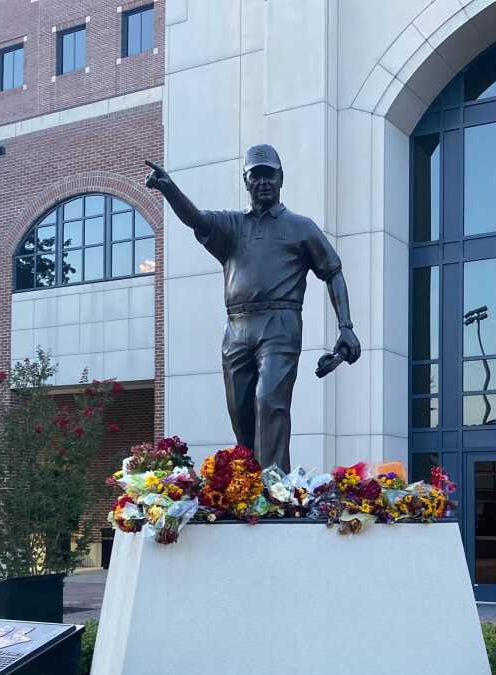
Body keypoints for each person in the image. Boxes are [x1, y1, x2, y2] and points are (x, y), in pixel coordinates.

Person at [145, 145, 361, 471]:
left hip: (280, 324)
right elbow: (197, 219)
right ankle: (248, 487)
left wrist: (346, 326)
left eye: (268, 175)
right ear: (246, 181)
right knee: (241, 413)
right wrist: (169, 189)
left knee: (270, 401)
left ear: (281, 178)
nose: (262, 182)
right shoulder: (233, 226)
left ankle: (274, 490)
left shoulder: (301, 227)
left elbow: (332, 272)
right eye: (254, 175)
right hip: (235, 327)